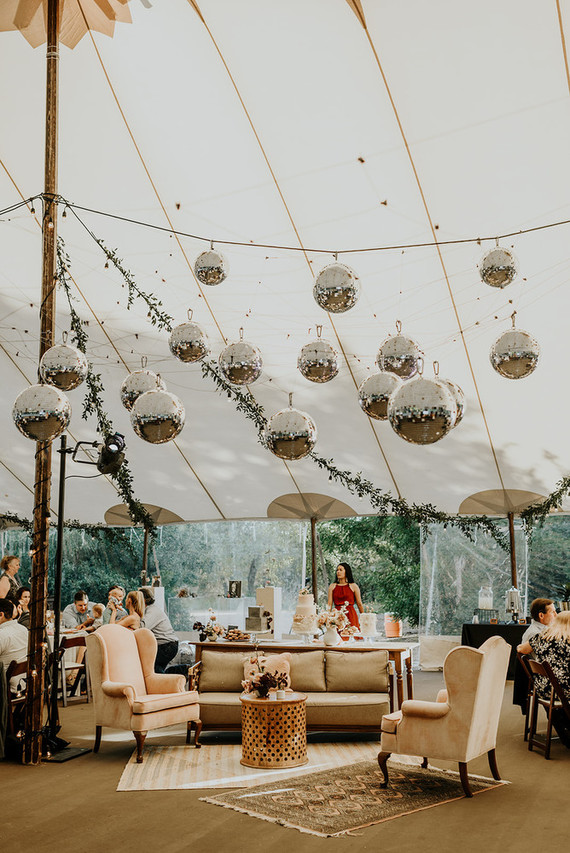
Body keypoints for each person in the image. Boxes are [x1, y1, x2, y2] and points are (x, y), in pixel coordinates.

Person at [518, 610, 570, 747]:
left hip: (544, 689)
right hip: (564, 691)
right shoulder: (568, 641)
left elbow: (521, 650)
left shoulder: (540, 638)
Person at [139, 586, 179, 673]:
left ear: (143, 600)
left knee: (151, 667)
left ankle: (182, 670)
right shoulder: (149, 610)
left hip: (166, 646)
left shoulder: (152, 610)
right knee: (156, 670)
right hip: (166, 645)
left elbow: (142, 628)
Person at [0, 598, 28, 686]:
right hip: (24, 681)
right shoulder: (23, 629)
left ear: (1, 615)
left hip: (6, 686)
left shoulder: (2, 634)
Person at [327, 562, 364, 629]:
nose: (338, 572)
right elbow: (329, 604)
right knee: (337, 634)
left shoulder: (353, 586)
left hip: (351, 615)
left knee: (352, 632)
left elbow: (359, 604)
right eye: (337, 570)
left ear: (346, 572)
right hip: (337, 616)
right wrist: (327, 618)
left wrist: (364, 617)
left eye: (341, 570)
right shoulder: (332, 586)